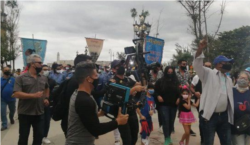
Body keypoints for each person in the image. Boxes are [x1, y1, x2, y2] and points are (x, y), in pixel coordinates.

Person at [66, 62, 129, 145]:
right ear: (89, 79)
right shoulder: (84, 100)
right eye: (96, 75)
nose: (98, 78)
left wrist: (98, 114)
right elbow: (96, 129)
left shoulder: (81, 93)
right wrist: (118, 121)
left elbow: (85, 118)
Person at [193, 38, 234, 145]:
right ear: (218, 64)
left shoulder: (229, 80)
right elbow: (197, 64)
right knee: (208, 142)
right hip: (209, 117)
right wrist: (200, 49)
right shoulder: (208, 74)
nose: (229, 65)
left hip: (224, 117)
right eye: (226, 63)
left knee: (227, 142)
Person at [13, 54, 50, 145]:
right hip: (25, 113)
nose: (41, 65)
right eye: (39, 63)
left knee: (38, 137)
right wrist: (33, 95)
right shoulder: (21, 78)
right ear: (32, 64)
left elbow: (47, 88)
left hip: (39, 113)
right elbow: (16, 93)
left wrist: (46, 98)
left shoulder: (43, 78)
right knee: (23, 137)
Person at [109, 59, 145, 145]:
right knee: (127, 139)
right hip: (122, 113)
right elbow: (119, 96)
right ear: (113, 69)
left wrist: (142, 76)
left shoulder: (128, 79)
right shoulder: (113, 82)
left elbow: (139, 84)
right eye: (119, 66)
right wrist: (133, 90)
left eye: (122, 65)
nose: (122, 67)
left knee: (134, 136)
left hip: (132, 111)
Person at [60, 54, 92, 136]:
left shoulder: (79, 80)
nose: (92, 68)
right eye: (89, 65)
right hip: (73, 125)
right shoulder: (76, 82)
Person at [154, 66, 181, 145]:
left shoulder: (176, 82)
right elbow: (155, 92)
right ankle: (166, 138)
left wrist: (179, 98)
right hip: (163, 105)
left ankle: (169, 136)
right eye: (168, 72)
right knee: (165, 121)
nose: (170, 74)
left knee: (171, 121)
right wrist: (158, 96)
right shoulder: (160, 81)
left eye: (171, 72)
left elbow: (181, 92)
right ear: (165, 72)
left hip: (173, 105)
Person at [190, 62, 211, 145]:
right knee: (202, 120)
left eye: (209, 66)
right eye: (206, 66)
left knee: (209, 120)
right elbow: (191, 87)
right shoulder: (197, 77)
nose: (208, 68)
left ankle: (208, 139)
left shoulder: (213, 77)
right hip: (200, 102)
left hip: (210, 102)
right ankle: (203, 139)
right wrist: (195, 93)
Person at [231, 71, 250, 145]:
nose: (243, 80)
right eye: (241, 78)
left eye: (245, 78)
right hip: (236, 127)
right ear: (236, 79)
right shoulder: (231, 91)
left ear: (248, 81)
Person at [41, 65, 57, 144]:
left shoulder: (52, 81)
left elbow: (55, 92)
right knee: (39, 122)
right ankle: (38, 136)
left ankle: (44, 136)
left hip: (48, 104)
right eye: (44, 69)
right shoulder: (37, 80)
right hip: (37, 104)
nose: (45, 71)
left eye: (47, 69)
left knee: (47, 121)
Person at [0, 67, 16, 131]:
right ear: (3, 71)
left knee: (12, 110)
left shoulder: (13, 79)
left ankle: (11, 117)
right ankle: (4, 124)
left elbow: (16, 87)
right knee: (3, 112)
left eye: (8, 70)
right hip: (2, 99)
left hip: (12, 99)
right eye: (5, 70)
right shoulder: (0, 80)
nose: (7, 71)